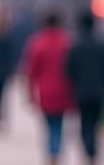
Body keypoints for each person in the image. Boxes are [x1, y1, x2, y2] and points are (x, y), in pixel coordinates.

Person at [24, 9, 75, 165]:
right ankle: (56, 152)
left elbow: (31, 71)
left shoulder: (38, 43)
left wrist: (30, 93)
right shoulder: (68, 42)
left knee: (50, 125)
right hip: (64, 91)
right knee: (58, 125)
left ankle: (52, 153)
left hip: (45, 91)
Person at [66, 9, 104, 163]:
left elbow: (69, 70)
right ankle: (92, 150)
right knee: (95, 123)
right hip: (99, 91)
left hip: (81, 91)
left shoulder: (75, 46)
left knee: (85, 123)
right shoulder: (102, 45)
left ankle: (88, 149)